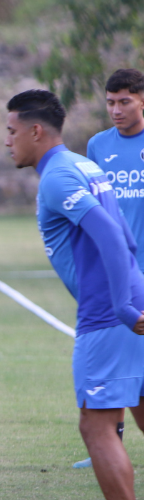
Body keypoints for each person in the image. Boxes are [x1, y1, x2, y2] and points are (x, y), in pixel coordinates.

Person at [6, 89, 144, 500]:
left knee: (96, 425)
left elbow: (108, 234)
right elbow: (123, 231)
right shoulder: (85, 165)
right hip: (131, 295)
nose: (8, 142)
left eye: (11, 131)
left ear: (35, 131)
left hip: (109, 312)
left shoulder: (58, 176)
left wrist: (124, 306)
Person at [77, 69, 144, 469]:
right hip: (118, 268)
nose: (116, 110)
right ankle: (109, 442)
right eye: (110, 102)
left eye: (125, 101)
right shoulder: (98, 145)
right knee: (117, 353)